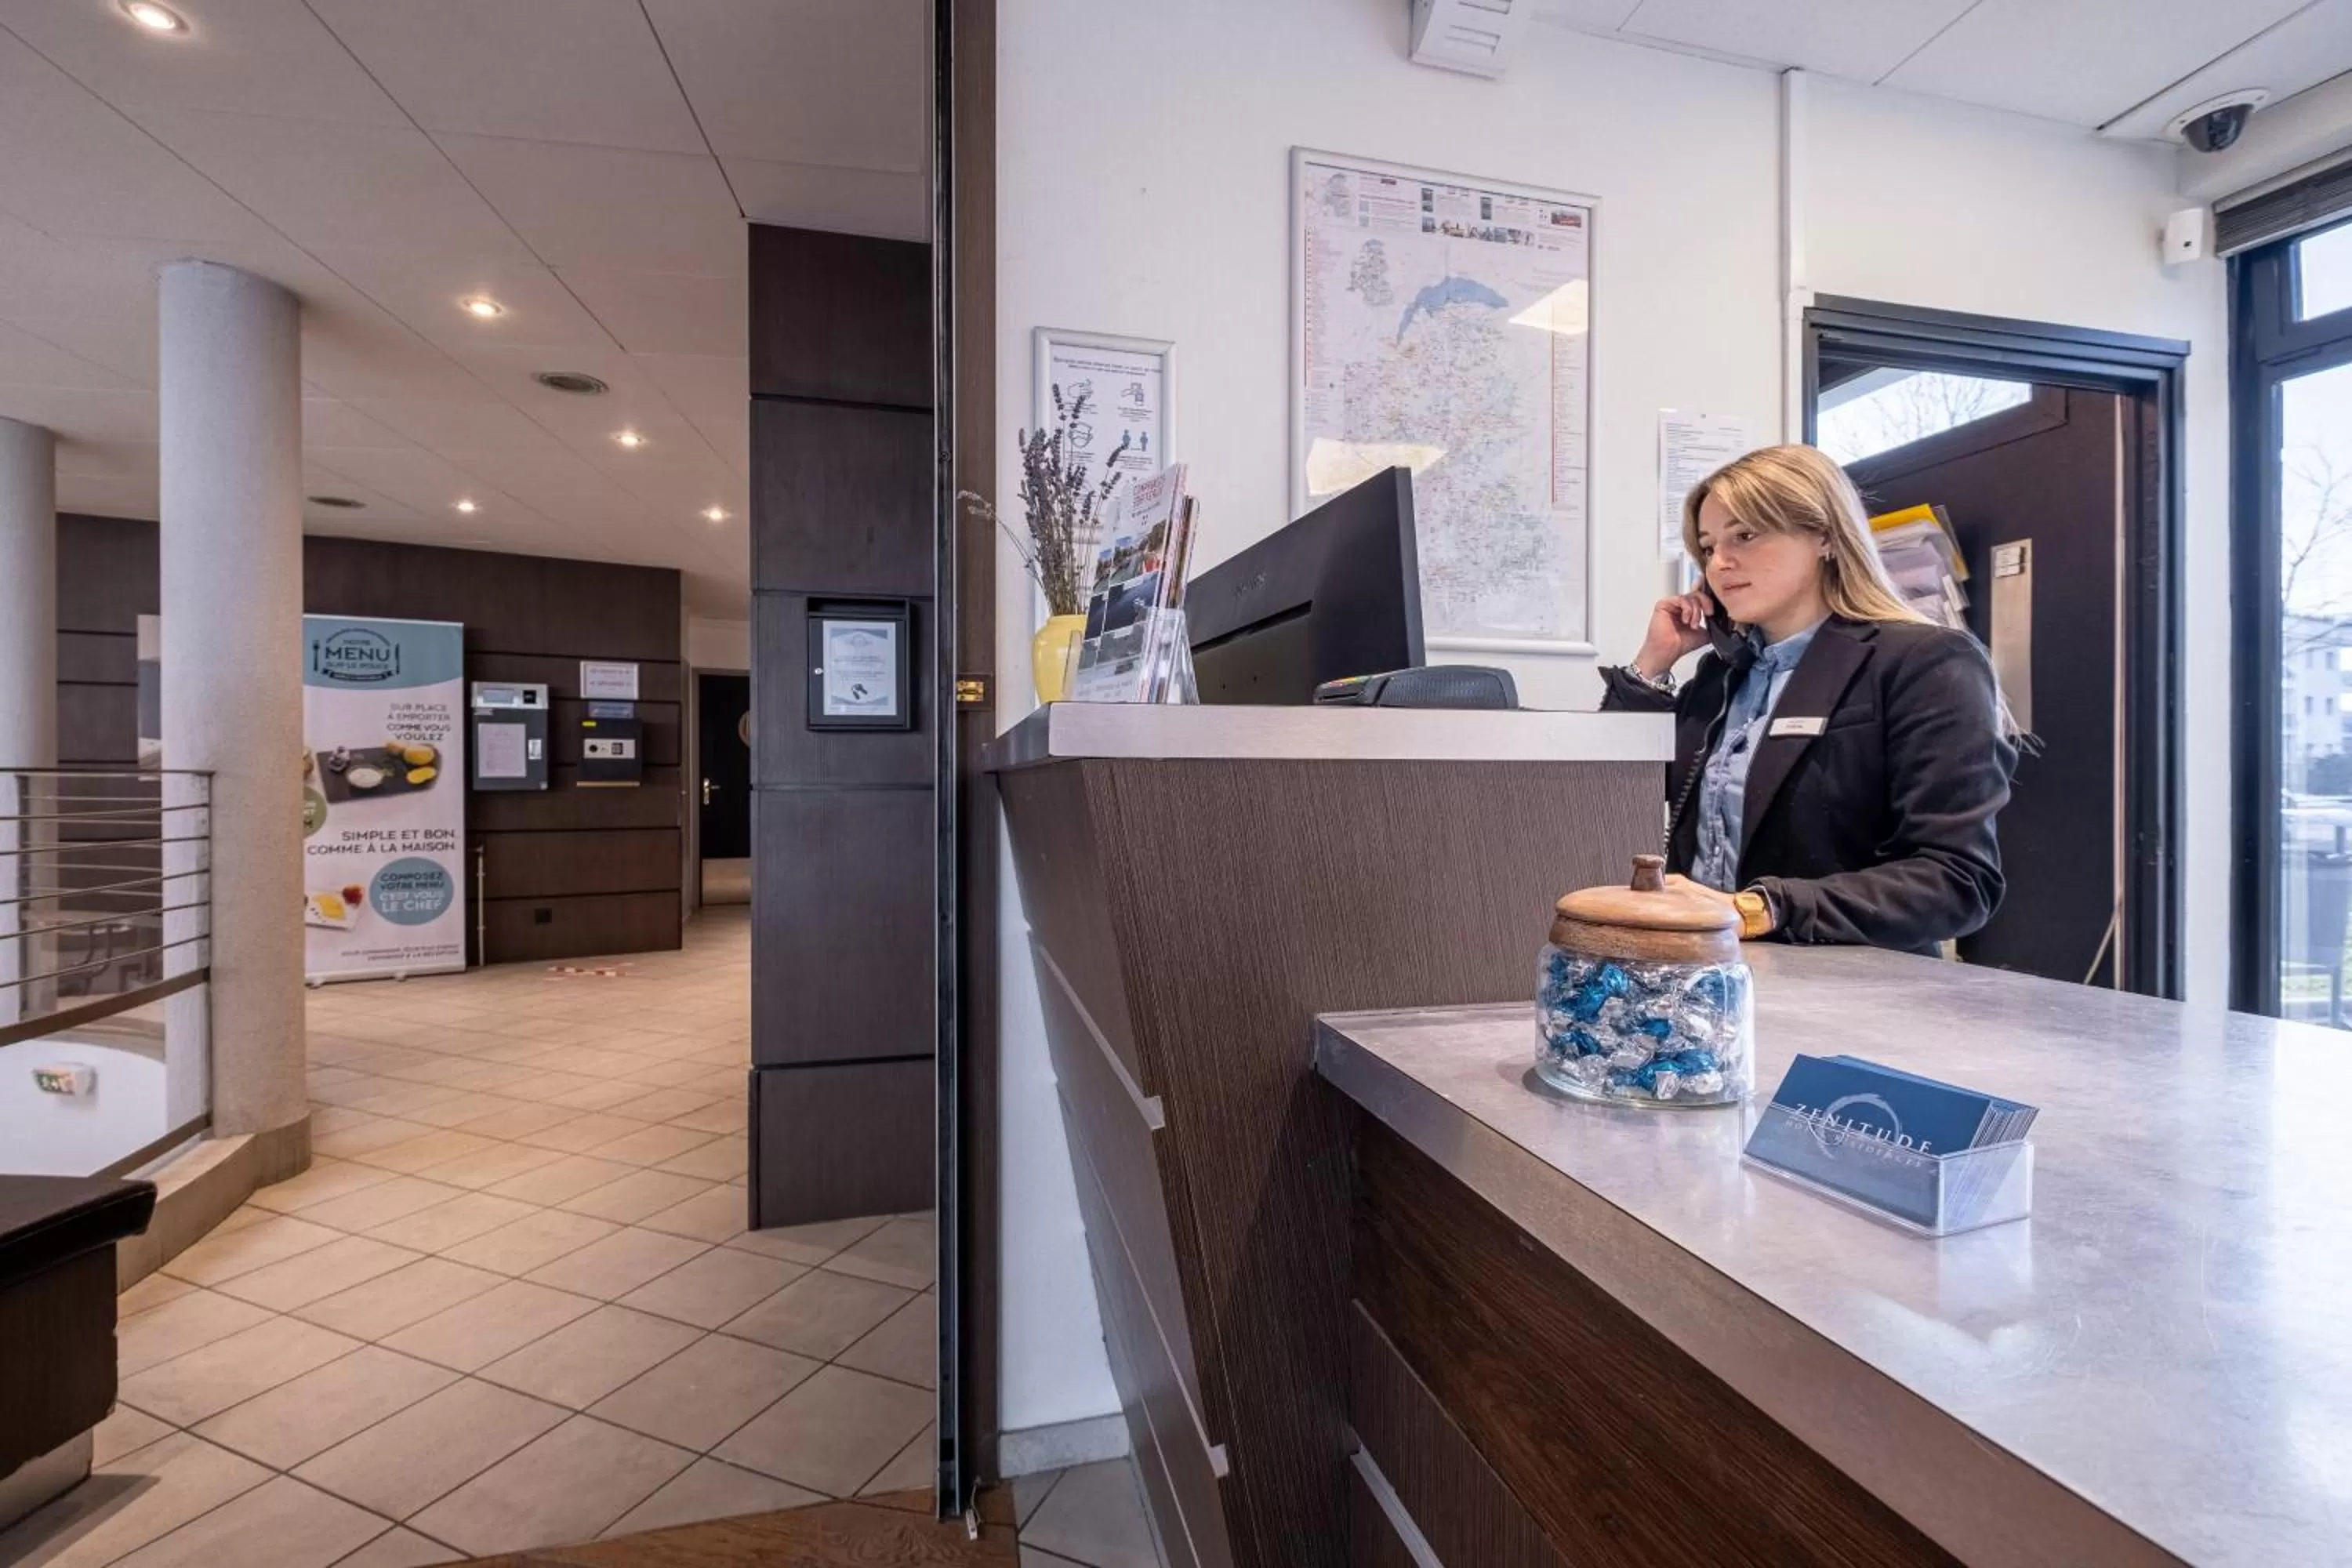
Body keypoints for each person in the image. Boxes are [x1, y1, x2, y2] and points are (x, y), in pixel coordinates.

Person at [1599, 444, 2016, 955]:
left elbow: (1957, 880)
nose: (1720, 564)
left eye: (1745, 536)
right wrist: (1651, 666)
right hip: (1706, 975)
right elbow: (1607, 800)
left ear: (1823, 535)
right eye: (1708, 548)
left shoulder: (1925, 662)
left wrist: (1759, 908)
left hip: (1847, 991)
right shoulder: (1723, 674)